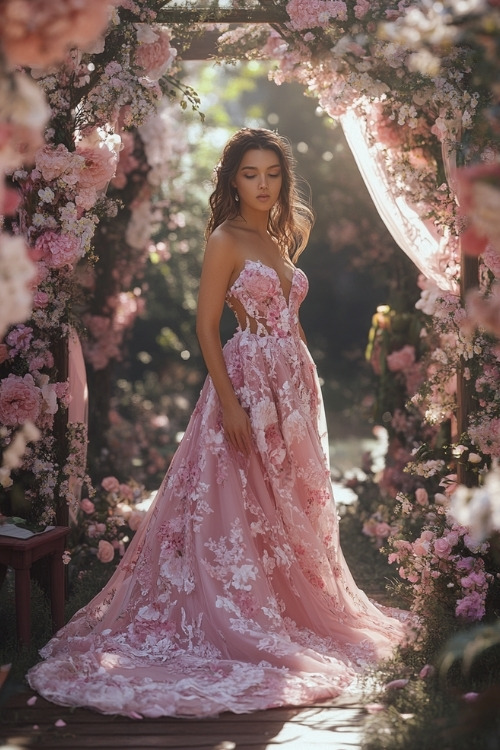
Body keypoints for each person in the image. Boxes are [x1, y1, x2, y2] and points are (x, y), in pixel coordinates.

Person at [28, 128, 408, 718]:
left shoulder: (279, 238)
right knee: (239, 499)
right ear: (233, 179)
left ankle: (285, 603)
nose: (262, 184)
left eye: (273, 174)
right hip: (247, 381)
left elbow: (290, 319)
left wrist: (307, 390)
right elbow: (208, 327)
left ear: (284, 180)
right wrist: (230, 403)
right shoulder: (227, 238)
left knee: (287, 502)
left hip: (290, 386)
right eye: (251, 174)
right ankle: (233, 612)